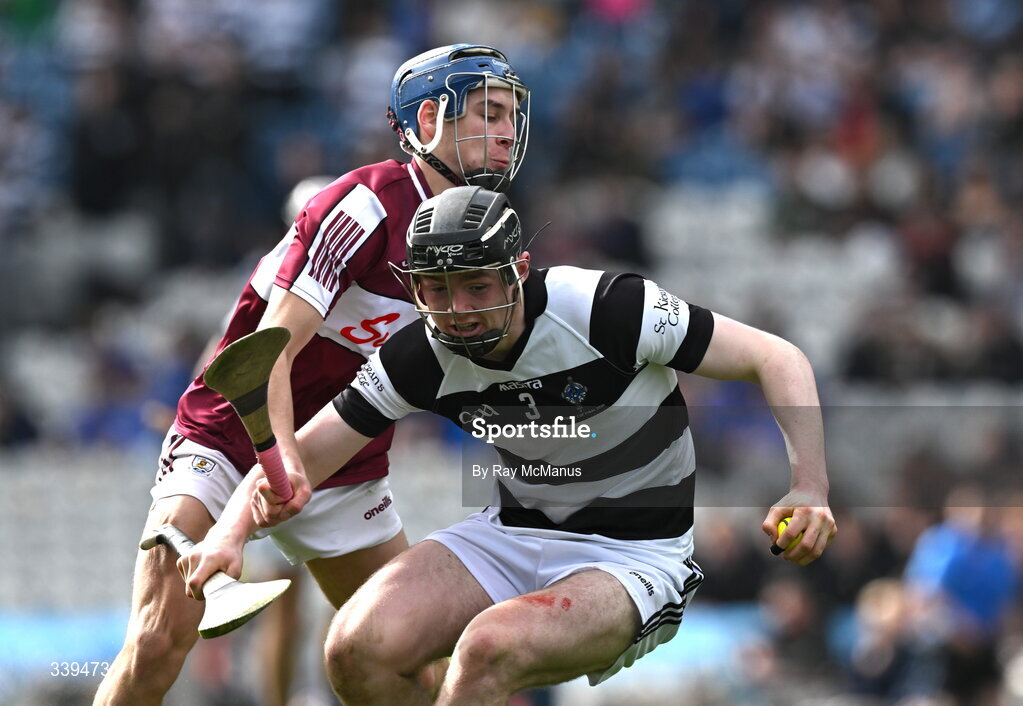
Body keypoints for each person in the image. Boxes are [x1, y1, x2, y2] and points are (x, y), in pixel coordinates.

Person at [180, 186, 837, 705]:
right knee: (354, 650)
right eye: (434, 290)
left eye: (476, 285)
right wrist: (229, 533)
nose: (456, 309)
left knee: (489, 646)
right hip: (511, 535)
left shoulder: (607, 309)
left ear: (518, 271)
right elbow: (306, 455)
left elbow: (775, 357)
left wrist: (808, 484)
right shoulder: (420, 353)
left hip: (633, 557)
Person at [94, 44, 530, 706]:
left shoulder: (486, 236)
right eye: (488, 111)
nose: (505, 129)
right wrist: (280, 456)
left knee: (408, 660)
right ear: (430, 119)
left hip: (345, 463)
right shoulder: (362, 207)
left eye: (510, 115)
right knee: (156, 644)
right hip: (232, 437)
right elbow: (268, 350)